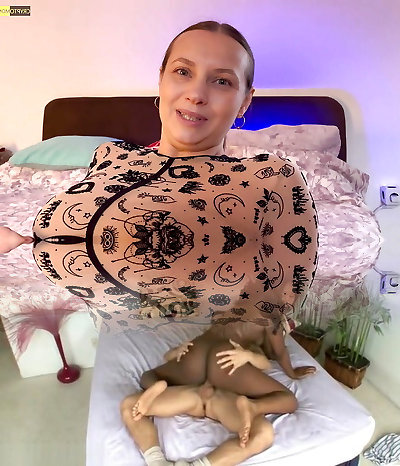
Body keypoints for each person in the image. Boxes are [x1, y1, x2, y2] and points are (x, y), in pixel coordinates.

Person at [121, 317, 316, 466]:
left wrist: (176, 352)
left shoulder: (225, 316)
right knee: (264, 432)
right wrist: (287, 370)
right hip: (221, 396)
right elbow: (267, 362)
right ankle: (252, 408)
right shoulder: (257, 339)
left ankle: (157, 461)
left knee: (130, 404)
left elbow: (170, 355)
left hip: (192, 389)